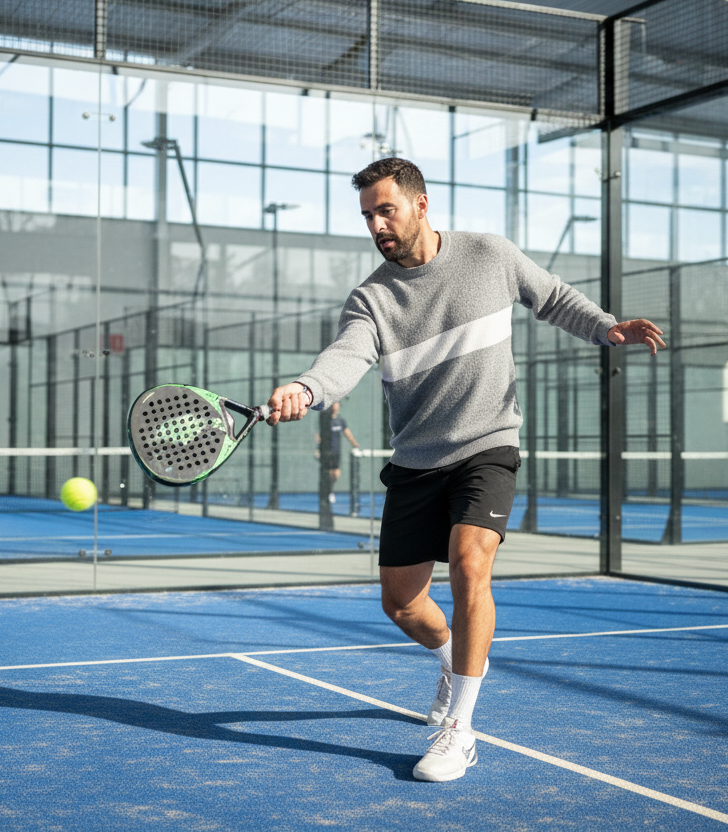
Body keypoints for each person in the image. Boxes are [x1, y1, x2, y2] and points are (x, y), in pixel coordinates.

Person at [265, 158, 664, 782]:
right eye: (367, 215)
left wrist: (607, 327)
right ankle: (454, 660)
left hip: (488, 445)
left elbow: (552, 296)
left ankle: (460, 729)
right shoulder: (371, 298)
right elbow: (346, 356)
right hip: (416, 460)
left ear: (421, 204)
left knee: (470, 563)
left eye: (386, 210)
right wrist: (307, 388)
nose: (376, 225)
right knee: (402, 605)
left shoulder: (489, 255)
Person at [316, 401, 360, 504]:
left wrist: (355, 444)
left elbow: (347, 433)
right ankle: (326, 493)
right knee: (328, 473)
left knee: (336, 474)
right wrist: (318, 449)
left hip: (336, 451)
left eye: (337, 404)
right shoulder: (325, 420)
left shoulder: (340, 421)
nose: (335, 406)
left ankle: (330, 490)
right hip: (326, 451)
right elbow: (318, 435)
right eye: (334, 404)